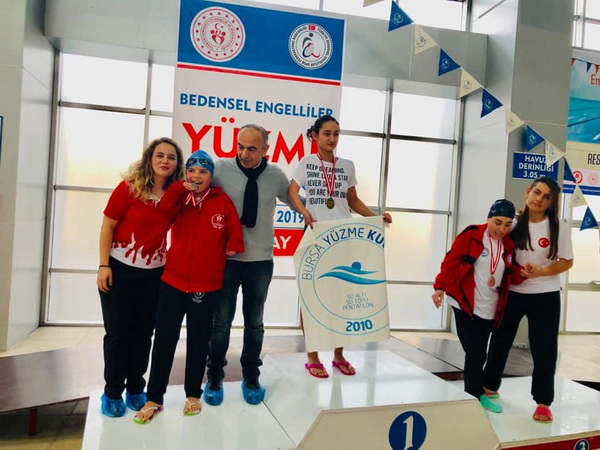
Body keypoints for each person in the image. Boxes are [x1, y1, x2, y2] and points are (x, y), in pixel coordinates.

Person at [134, 150, 244, 423]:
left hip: (205, 285)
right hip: (172, 281)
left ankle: (193, 393)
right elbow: (163, 211)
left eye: (203, 172)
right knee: (164, 340)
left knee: (198, 340)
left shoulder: (221, 201)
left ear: (210, 176)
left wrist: (233, 244)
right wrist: (177, 189)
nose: (196, 176)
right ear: (185, 175)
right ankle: (154, 397)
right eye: (192, 171)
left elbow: (234, 227)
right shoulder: (180, 197)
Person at [288, 115, 392, 378]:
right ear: (315, 136)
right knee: (311, 296)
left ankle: (338, 354)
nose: (332, 139)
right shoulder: (307, 163)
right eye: (326, 133)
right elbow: (292, 192)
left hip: (342, 239)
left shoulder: (347, 165)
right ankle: (312, 355)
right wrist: (304, 211)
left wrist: (376, 218)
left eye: (336, 133)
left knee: (342, 297)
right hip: (316, 235)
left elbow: (353, 201)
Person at [204, 124, 292, 406]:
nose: (244, 153)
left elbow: (297, 202)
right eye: (240, 146)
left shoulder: (276, 175)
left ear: (266, 149)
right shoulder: (221, 169)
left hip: (260, 262)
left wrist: (334, 209)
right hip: (227, 260)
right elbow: (194, 186)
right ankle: (214, 377)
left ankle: (251, 376)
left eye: (252, 149)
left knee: (254, 323)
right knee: (221, 323)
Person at [97, 137, 184, 417]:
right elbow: (108, 226)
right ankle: (112, 391)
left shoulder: (176, 196)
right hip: (119, 270)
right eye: (160, 155)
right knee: (118, 334)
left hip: (154, 275)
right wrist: (103, 265)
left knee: (144, 334)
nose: (165, 161)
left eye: (171, 157)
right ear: (149, 159)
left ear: (177, 164)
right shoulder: (129, 188)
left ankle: (136, 387)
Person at [483, 176, 574, 423]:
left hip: (546, 294)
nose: (540, 199)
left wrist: (542, 271)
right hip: (513, 292)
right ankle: (489, 386)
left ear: (552, 202)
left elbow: (567, 261)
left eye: (546, 197)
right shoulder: (513, 223)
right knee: (500, 340)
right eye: (537, 192)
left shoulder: (559, 226)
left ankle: (543, 402)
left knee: (544, 349)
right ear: (528, 192)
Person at [432, 199, 524, 413]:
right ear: (488, 218)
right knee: (476, 351)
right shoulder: (472, 234)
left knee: (478, 350)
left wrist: (524, 273)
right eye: (497, 222)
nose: (501, 229)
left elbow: (510, 274)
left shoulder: (508, 244)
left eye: (507, 224)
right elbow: (452, 260)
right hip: (464, 301)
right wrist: (440, 287)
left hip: (490, 305)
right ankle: (475, 395)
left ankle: (475, 389)